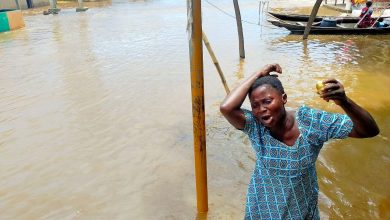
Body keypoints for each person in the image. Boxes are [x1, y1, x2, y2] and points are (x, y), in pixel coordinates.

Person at [219, 64, 379, 220]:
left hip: (301, 210)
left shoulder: (311, 122)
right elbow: (227, 107)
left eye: (267, 101)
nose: (261, 109)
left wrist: (344, 101)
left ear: (284, 99)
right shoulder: (256, 126)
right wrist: (258, 73)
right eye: (255, 105)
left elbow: (369, 130)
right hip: (262, 209)